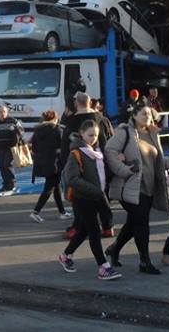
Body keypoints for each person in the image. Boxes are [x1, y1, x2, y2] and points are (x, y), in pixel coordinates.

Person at [104, 106, 169, 275]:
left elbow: (155, 159)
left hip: (148, 187)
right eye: (144, 113)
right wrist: (124, 170)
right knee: (141, 223)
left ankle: (114, 249)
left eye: (150, 114)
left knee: (134, 222)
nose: (148, 116)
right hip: (130, 186)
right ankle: (144, 261)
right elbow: (109, 151)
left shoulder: (152, 133)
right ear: (134, 115)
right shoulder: (125, 132)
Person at [58, 119, 122, 281]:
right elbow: (72, 179)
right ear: (81, 134)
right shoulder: (76, 153)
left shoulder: (95, 152)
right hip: (83, 198)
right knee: (94, 231)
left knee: (85, 230)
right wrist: (95, 191)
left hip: (95, 197)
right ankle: (103, 267)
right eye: (90, 135)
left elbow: (101, 175)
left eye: (96, 135)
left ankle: (66, 256)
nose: (93, 138)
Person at [60, 93, 114, 238]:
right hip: (102, 163)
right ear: (90, 103)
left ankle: (77, 227)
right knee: (103, 196)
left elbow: (65, 147)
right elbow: (111, 140)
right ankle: (107, 226)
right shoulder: (102, 120)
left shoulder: (71, 123)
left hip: (81, 165)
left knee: (80, 198)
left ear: (76, 104)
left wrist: (62, 166)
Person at [30, 110, 71, 222]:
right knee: (49, 188)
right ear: (55, 119)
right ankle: (36, 211)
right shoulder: (57, 130)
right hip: (55, 163)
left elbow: (33, 148)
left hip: (42, 163)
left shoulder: (37, 131)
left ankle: (62, 212)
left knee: (55, 186)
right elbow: (63, 146)